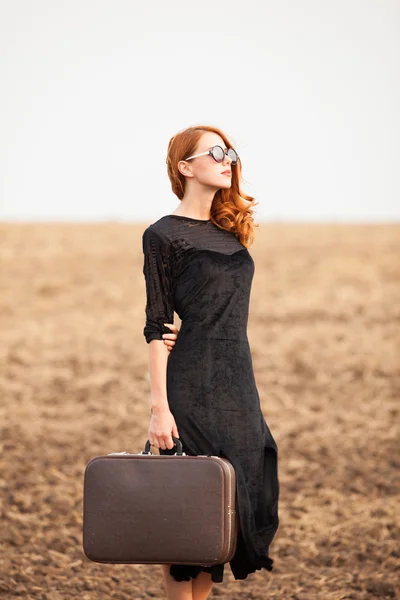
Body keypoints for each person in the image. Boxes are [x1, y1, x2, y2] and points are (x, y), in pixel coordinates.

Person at [141, 125, 280, 600]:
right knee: (187, 508)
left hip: (238, 385)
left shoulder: (231, 233)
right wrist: (160, 408)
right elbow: (158, 326)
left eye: (231, 151)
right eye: (216, 152)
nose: (228, 159)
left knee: (224, 512)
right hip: (191, 387)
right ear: (185, 168)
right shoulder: (162, 235)